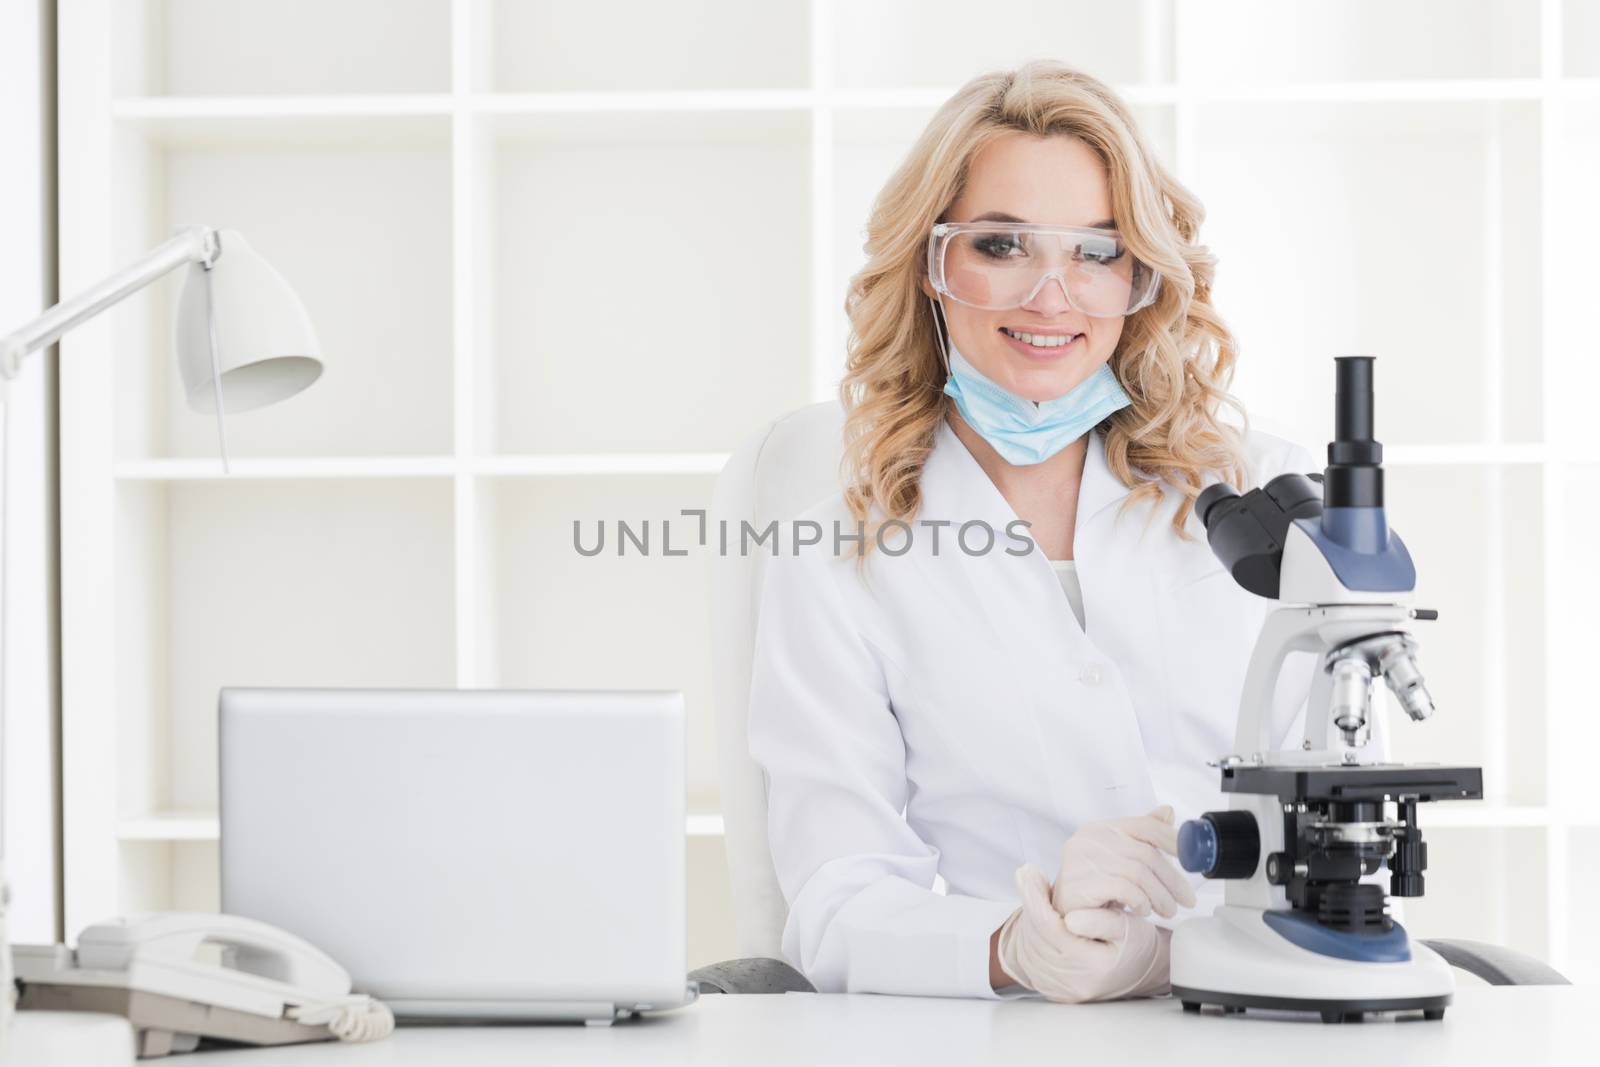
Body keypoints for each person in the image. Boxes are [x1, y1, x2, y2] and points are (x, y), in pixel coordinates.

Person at [745, 60, 1353, 1002]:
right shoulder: (841, 548)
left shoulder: (1255, 488)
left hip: (1259, 1008)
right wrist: (1014, 944)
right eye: (1003, 245)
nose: (1052, 296)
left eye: (1097, 252)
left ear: (1142, 279)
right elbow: (838, 894)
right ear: (931, 266)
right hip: (1013, 1032)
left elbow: (1352, 811)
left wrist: (1171, 953)